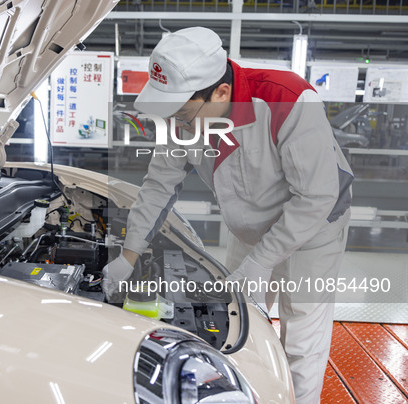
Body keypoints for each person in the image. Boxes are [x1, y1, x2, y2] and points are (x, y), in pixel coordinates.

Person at [102, 27, 353, 404]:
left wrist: (262, 262)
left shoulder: (288, 99)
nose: (179, 127)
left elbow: (316, 196)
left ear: (220, 92)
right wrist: (129, 254)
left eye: (185, 116)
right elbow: (158, 186)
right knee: (240, 320)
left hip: (314, 228)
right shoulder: (184, 115)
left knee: (301, 337)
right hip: (250, 227)